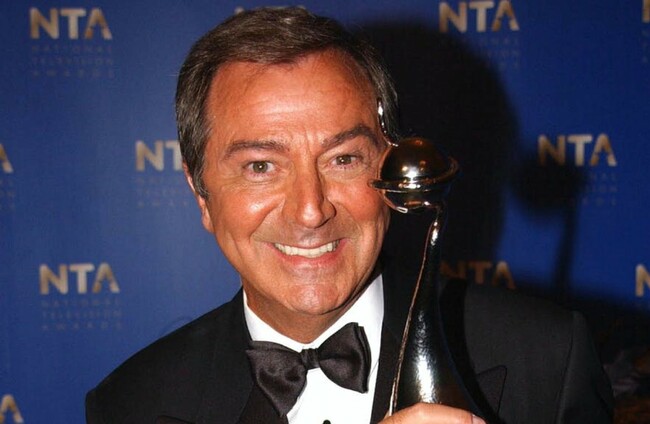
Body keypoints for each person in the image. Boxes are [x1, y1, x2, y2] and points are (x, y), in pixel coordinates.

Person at [86, 7, 613, 424]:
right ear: (201, 193)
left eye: (343, 159)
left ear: (391, 167)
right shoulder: (130, 404)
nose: (310, 209)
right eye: (261, 166)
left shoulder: (547, 359)